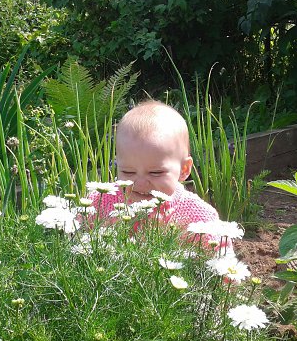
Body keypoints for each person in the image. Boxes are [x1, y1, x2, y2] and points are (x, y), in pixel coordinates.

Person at [87, 100, 230, 251]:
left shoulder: (198, 217)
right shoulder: (99, 202)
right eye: (128, 172)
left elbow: (221, 258)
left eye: (155, 173)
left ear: (184, 169)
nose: (140, 183)